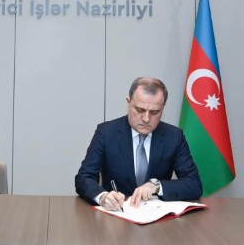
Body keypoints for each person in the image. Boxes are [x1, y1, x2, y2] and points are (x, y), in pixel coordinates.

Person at [75, 77, 202, 211]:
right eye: (140, 110)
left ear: (163, 108)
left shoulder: (174, 136)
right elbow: (84, 177)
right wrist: (103, 197)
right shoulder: (106, 132)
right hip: (116, 213)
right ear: (128, 103)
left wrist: (157, 186)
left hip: (157, 216)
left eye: (154, 112)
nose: (146, 119)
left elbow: (194, 184)